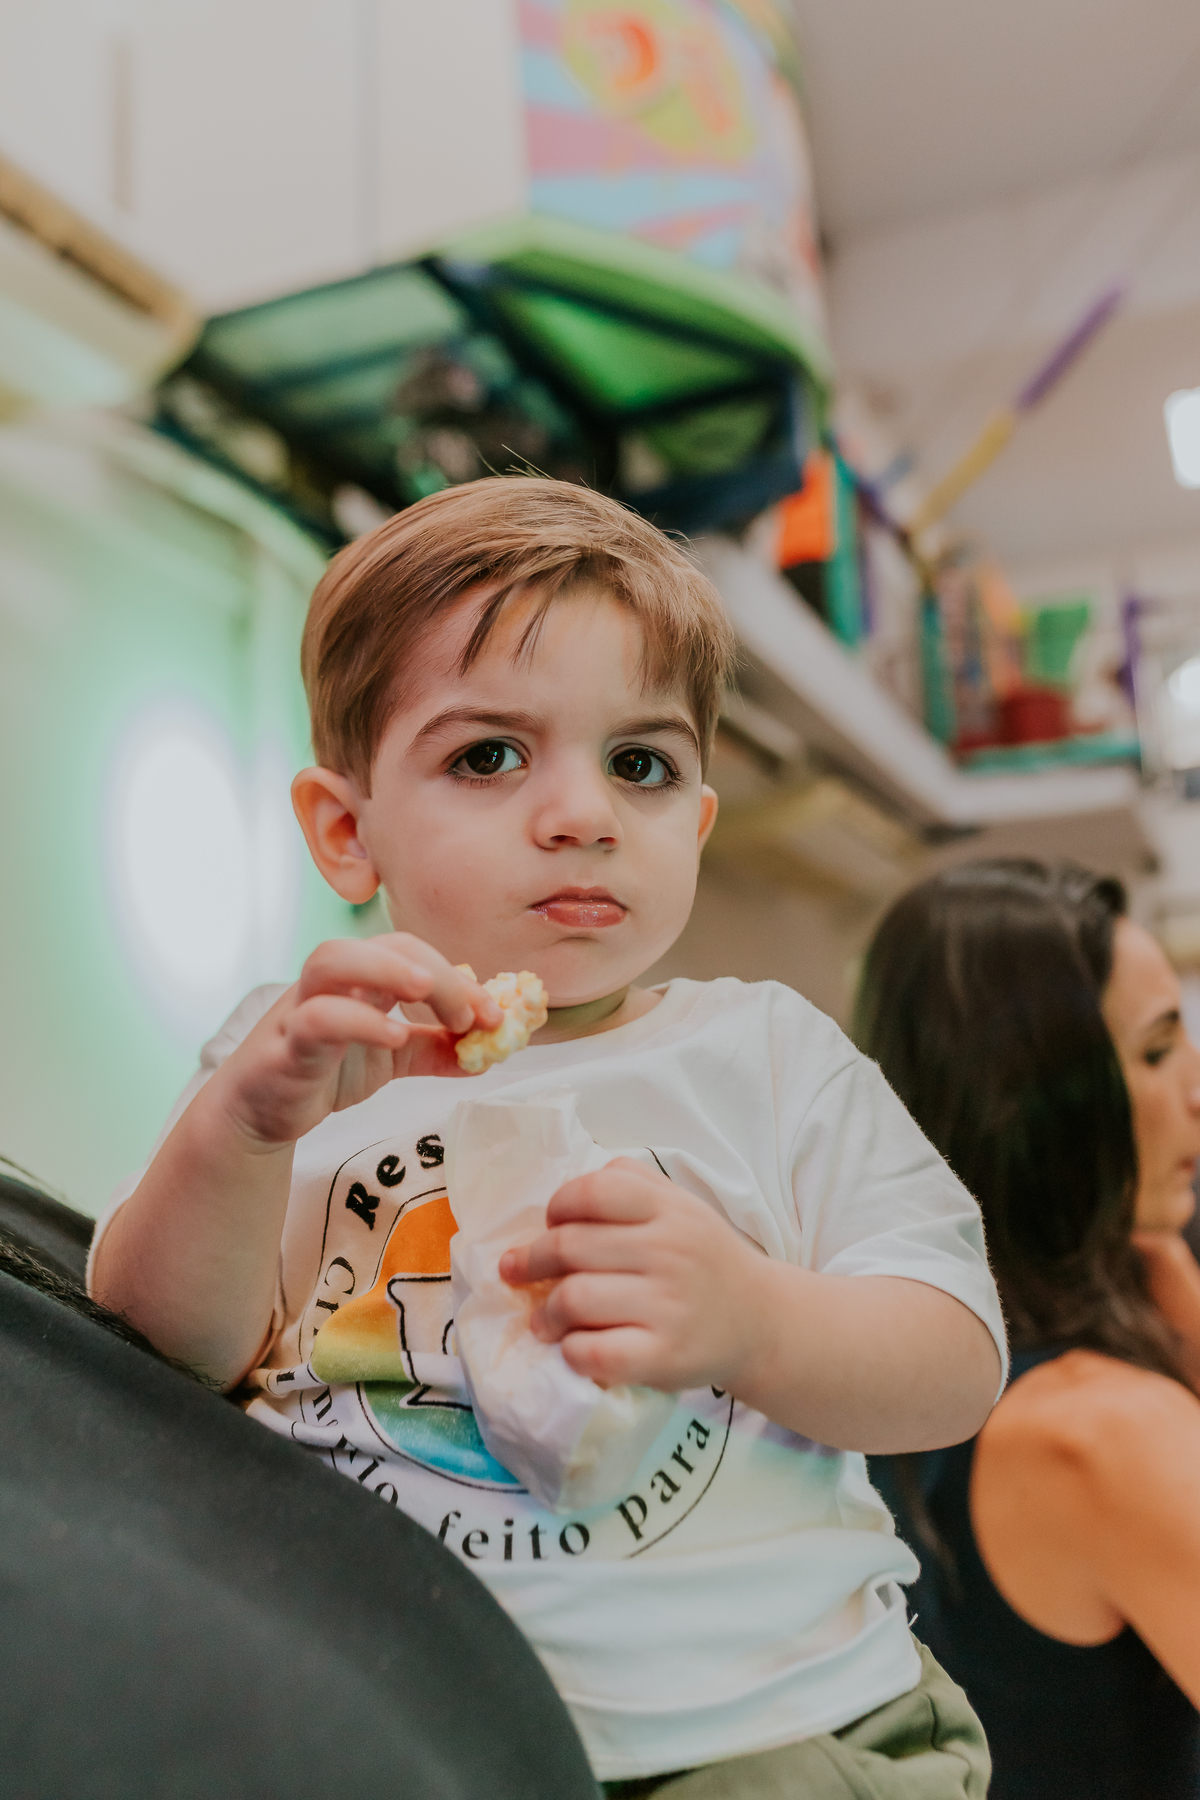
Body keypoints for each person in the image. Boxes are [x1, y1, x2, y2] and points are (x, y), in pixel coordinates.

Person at [90, 478, 1005, 1796]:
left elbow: (956, 1358)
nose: (583, 814)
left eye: (640, 763)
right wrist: (241, 1125)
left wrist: (758, 1321)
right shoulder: (296, 1051)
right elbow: (155, 1341)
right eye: (489, 756)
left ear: (694, 821)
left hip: (769, 1734)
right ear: (348, 833)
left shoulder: (763, 1054)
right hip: (402, 1727)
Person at [858, 860, 1200, 1800]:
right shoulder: (1105, 1431)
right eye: (1160, 1051)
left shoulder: (883, 1371)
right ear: (1045, 1097)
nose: (1197, 1092)